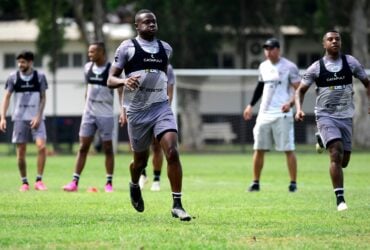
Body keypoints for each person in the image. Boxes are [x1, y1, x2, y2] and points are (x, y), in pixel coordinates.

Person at [108, 9, 191, 221]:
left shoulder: (166, 49)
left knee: (172, 151)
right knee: (140, 162)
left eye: (154, 22)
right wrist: (124, 81)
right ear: (137, 26)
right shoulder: (127, 47)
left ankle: (177, 204)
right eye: (146, 22)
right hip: (137, 112)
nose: (151, 25)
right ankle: (134, 184)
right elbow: (110, 79)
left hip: (161, 107)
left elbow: (163, 76)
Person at [295, 30, 370, 211]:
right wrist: (298, 109)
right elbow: (300, 91)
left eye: (337, 39)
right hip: (325, 115)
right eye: (330, 39)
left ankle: (321, 139)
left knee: (344, 161)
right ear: (324, 44)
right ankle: (340, 200)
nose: (334, 41)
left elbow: (368, 83)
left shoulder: (350, 63)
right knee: (335, 153)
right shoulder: (316, 67)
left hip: (345, 117)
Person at [243, 38, 300, 193]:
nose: (268, 51)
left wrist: (290, 103)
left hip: (283, 114)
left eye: (271, 48)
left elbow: (299, 89)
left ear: (278, 49)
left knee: (288, 149)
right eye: (266, 48)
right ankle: (255, 182)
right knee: (258, 148)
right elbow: (260, 87)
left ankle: (293, 183)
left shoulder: (289, 67)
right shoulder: (263, 66)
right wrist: (250, 105)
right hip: (264, 114)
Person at [63, 42, 120, 193]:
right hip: (89, 114)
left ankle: (109, 183)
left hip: (106, 114)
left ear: (101, 53)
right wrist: (85, 107)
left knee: (108, 148)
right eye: (89, 52)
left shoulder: (111, 69)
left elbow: (120, 91)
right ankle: (74, 182)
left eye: (92, 52)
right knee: (83, 147)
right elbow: (87, 89)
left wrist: (123, 111)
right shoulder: (87, 67)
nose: (89, 55)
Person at [0, 51, 48, 192]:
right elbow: (7, 97)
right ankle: (24, 182)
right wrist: (2, 117)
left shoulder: (40, 77)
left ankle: (39, 180)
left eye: (23, 62)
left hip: (37, 119)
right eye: (19, 62)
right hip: (19, 119)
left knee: (42, 147)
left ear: (31, 62)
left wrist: (38, 116)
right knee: (21, 152)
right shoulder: (13, 78)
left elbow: (43, 98)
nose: (20, 65)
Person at [138, 64, 176, 191]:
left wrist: (163, 110)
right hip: (141, 112)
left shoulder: (167, 68)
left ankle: (156, 179)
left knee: (156, 146)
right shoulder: (140, 65)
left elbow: (169, 92)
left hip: (159, 112)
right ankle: (142, 175)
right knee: (140, 147)